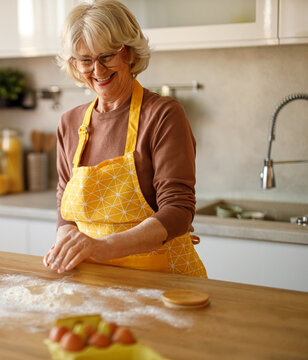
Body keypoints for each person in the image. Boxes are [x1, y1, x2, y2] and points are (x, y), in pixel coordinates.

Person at [43, 0, 207, 278]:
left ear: (129, 53)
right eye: (85, 60)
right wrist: (66, 241)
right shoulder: (69, 123)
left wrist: (103, 246)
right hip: (95, 279)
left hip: (163, 280)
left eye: (107, 56)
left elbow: (178, 210)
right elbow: (65, 204)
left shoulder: (164, 114)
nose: (97, 70)